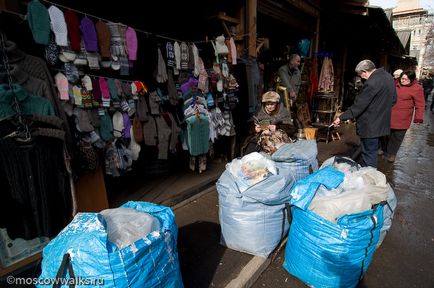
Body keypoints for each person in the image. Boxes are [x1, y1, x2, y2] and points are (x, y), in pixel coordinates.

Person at [331, 59, 396, 168]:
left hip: (370, 125)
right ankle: (368, 173)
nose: (361, 77)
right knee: (371, 151)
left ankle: (369, 178)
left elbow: (359, 106)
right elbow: (394, 100)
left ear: (365, 71)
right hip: (382, 123)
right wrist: (380, 109)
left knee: (369, 154)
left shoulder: (371, 83)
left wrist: (341, 117)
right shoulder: (388, 77)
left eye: (360, 74)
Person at [383, 70, 425, 162]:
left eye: (406, 79)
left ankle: (392, 154)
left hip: (403, 117)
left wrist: (418, 117)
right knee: (386, 134)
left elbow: (420, 104)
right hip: (389, 115)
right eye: (402, 78)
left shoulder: (417, 88)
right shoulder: (394, 84)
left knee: (397, 137)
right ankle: (385, 150)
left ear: (411, 79)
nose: (403, 81)